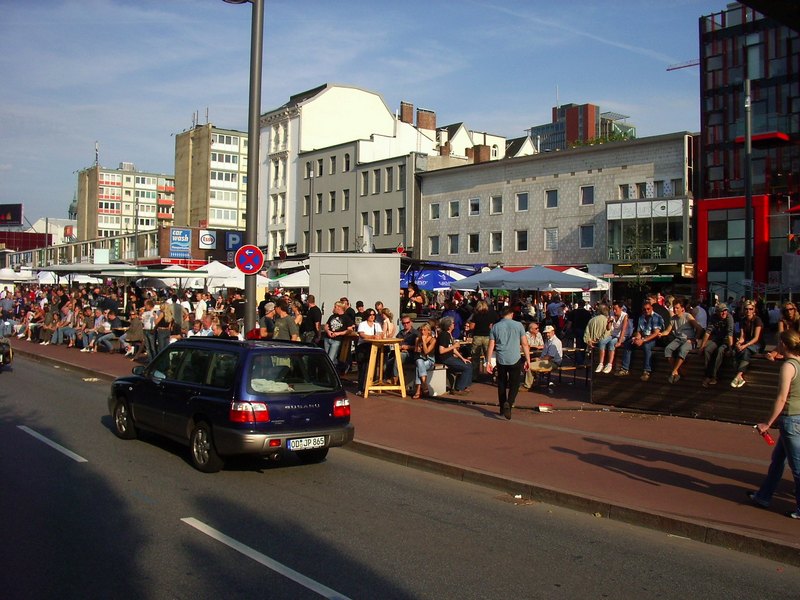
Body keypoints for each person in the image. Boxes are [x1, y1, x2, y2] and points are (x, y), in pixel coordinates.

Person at [749, 329, 800, 519]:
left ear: (784, 345)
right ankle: (763, 496)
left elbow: (781, 398)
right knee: (778, 460)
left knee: (797, 466)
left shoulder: (788, 366)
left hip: (791, 419)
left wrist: (767, 423)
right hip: (797, 417)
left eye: (779, 343)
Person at [486, 306, 531, 420]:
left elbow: (491, 345)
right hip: (515, 357)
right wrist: (528, 359)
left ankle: (502, 407)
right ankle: (509, 403)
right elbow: (524, 344)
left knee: (501, 383)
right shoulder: (519, 325)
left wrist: (488, 361)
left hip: (501, 358)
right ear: (511, 314)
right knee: (515, 384)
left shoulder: (495, 326)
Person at [659, 298, 704, 384]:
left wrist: (695, 339)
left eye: (677, 308)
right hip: (678, 339)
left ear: (682, 308)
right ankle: (676, 371)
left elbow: (699, 328)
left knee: (683, 349)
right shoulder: (673, 319)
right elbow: (667, 331)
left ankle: (674, 371)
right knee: (667, 349)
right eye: (674, 308)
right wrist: (661, 334)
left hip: (689, 339)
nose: (675, 310)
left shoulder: (687, 316)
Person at [617, 301, 665, 381]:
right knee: (628, 343)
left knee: (647, 346)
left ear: (651, 308)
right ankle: (625, 369)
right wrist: (637, 338)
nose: (646, 311)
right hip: (644, 337)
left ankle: (647, 371)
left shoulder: (657, 317)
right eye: (644, 309)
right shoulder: (641, 317)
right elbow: (639, 331)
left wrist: (643, 340)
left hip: (654, 338)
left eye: (648, 309)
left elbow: (656, 333)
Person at [698, 303, 734, 387]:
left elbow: (730, 334)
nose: (724, 313)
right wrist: (702, 347)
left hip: (727, 340)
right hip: (718, 339)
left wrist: (730, 349)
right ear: (717, 312)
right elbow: (708, 332)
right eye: (722, 311)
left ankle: (714, 376)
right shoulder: (713, 317)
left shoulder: (729, 317)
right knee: (707, 350)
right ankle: (708, 374)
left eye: (725, 310)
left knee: (720, 351)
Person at [731, 300, 764, 388]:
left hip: (757, 344)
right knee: (735, 351)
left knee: (745, 351)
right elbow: (742, 337)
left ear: (754, 310)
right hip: (747, 343)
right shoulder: (743, 320)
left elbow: (756, 338)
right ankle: (739, 377)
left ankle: (738, 375)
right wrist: (738, 343)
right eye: (746, 309)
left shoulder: (757, 320)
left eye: (750, 309)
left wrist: (744, 345)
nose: (748, 311)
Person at [436, 316, 472, 394]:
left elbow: (453, 350)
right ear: (449, 326)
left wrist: (462, 358)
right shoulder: (444, 335)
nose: (454, 324)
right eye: (452, 323)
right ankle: (459, 388)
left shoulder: (449, 334)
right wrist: (454, 346)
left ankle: (464, 385)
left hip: (450, 357)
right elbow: (441, 351)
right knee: (466, 368)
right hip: (445, 358)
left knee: (468, 364)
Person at [466, 300, 496, 381]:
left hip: (477, 336)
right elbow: (493, 324)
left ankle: (474, 375)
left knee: (475, 357)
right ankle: (491, 374)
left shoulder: (476, 314)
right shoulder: (491, 314)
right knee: (488, 356)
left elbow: (472, 327)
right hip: (488, 336)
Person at [356, 308, 382, 395]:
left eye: (373, 314)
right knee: (363, 367)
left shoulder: (377, 325)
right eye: (370, 315)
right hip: (363, 347)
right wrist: (372, 336)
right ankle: (360, 388)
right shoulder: (362, 324)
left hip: (373, 347)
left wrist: (377, 336)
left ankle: (370, 386)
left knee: (373, 367)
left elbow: (380, 334)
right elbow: (362, 334)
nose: (372, 316)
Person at [589, 303, 618, 374]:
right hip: (612, 335)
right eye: (613, 309)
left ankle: (609, 364)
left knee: (611, 343)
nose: (613, 311)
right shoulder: (610, 317)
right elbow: (608, 328)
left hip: (618, 336)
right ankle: (601, 363)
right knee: (602, 341)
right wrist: (609, 322)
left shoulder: (624, 316)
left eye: (615, 309)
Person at [323, 301, 354, 369]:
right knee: (326, 357)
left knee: (331, 358)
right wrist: (328, 331)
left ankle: (336, 369)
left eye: (335, 307)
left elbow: (349, 330)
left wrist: (338, 333)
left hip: (336, 340)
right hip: (327, 338)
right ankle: (337, 367)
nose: (334, 308)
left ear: (339, 308)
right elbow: (326, 326)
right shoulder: (332, 316)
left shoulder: (346, 318)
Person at [412, 323, 436, 399]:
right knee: (419, 362)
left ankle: (418, 390)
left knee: (418, 366)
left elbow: (426, 352)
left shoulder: (433, 340)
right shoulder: (417, 339)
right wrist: (417, 348)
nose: (422, 332)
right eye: (421, 330)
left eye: (425, 330)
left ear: (429, 331)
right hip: (420, 359)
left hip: (429, 361)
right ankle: (424, 385)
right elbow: (416, 352)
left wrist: (424, 341)